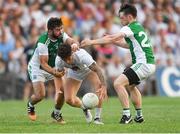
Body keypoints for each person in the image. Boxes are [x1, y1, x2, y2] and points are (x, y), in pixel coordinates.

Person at [81, 3, 156, 124]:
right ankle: (139, 115)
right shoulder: (138, 27)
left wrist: (91, 41)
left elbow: (112, 38)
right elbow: (129, 45)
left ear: (130, 17)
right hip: (149, 64)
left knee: (118, 83)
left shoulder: (129, 27)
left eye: (122, 17)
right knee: (131, 86)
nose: (120, 20)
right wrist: (114, 42)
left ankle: (126, 116)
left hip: (143, 64)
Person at [27, 17, 79, 123]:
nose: (60, 32)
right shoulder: (43, 42)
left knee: (63, 91)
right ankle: (30, 105)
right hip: (38, 68)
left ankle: (56, 113)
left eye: (61, 29)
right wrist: (55, 72)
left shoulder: (61, 35)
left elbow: (71, 40)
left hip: (53, 67)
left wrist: (74, 44)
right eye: (58, 29)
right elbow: (43, 64)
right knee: (40, 95)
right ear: (50, 30)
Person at [55, 44, 107, 124]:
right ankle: (84, 108)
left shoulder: (82, 55)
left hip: (89, 70)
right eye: (65, 60)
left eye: (69, 58)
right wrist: (58, 88)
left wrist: (104, 86)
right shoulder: (59, 61)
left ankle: (97, 118)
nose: (68, 61)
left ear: (72, 52)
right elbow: (59, 75)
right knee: (69, 100)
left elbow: (97, 69)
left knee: (99, 86)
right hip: (75, 74)